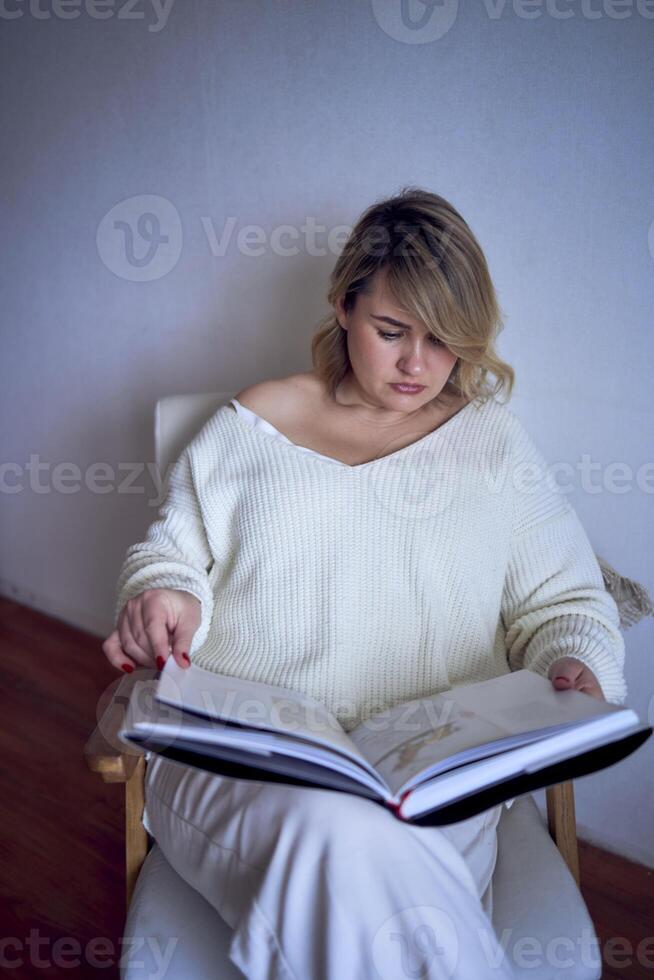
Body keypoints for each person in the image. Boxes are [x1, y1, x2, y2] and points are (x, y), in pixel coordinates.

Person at [102, 187, 626, 979]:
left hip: (426, 771)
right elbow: (169, 562)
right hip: (243, 758)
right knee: (339, 831)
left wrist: (579, 662)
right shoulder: (251, 425)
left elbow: (564, 604)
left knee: (372, 836)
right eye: (392, 331)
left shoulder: (491, 445)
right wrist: (165, 599)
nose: (418, 363)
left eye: (445, 340)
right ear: (344, 304)